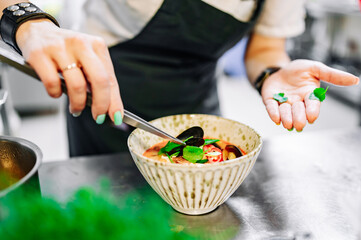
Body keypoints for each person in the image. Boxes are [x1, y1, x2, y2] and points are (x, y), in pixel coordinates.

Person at [0, 0, 359, 157]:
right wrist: (26, 20)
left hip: (196, 104)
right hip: (103, 97)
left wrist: (273, 73)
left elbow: (265, 48)